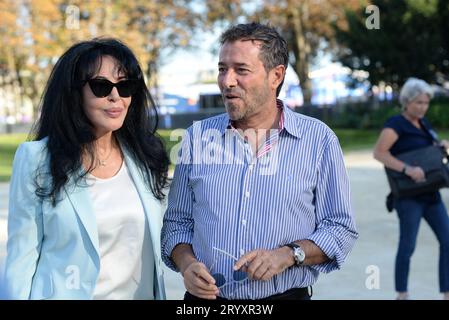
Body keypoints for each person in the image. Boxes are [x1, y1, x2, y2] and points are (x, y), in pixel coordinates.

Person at [161, 22, 358, 300]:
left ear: (275, 76)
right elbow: (177, 223)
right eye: (222, 69)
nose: (227, 81)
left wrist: (290, 255)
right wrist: (187, 264)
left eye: (241, 70)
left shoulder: (319, 140)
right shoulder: (196, 138)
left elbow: (340, 228)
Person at [3, 38, 169, 300]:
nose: (115, 96)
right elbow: (21, 258)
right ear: (74, 93)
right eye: (101, 86)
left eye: (125, 86)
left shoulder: (146, 158)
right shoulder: (36, 158)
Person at [373, 77, 449, 300]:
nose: (423, 107)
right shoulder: (395, 124)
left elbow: (423, 152)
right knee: (408, 245)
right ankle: (402, 293)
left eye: (426, 103)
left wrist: (440, 146)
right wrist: (407, 169)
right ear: (407, 101)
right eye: (419, 103)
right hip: (408, 197)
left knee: (447, 241)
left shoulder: (424, 124)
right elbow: (379, 153)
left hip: (430, 193)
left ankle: (446, 293)